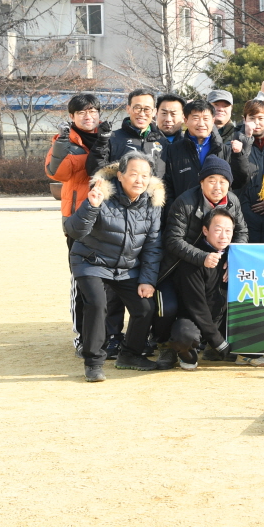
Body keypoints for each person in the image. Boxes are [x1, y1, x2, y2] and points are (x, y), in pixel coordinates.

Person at [64, 151, 165, 381]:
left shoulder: (152, 204)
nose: (139, 180)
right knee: (98, 304)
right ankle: (93, 362)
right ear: (120, 176)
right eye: (133, 174)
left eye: (145, 175)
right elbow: (74, 230)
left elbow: (153, 245)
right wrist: (91, 206)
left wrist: (147, 280)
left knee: (145, 308)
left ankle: (130, 355)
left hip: (126, 267)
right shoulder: (102, 194)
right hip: (91, 262)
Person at [164, 208, 264, 370]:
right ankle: (188, 354)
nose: (223, 236)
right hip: (195, 318)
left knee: (261, 315)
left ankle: (239, 353)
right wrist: (218, 342)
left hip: (224, 317)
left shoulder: (235, 254)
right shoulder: (194, 258)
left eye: (228, 231)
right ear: (205, 230)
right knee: (183, 336)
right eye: (218, 230)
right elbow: (196, 307)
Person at [45, 93, 110, 355]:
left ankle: (105, 336)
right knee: (82, 282)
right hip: (78, 219)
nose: (88, 116)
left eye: (92, 111)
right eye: (81, 113)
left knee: (108, 284)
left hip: (107, 218)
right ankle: (82, 339)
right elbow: (55, 173)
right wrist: (61, 143)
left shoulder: (109, 136)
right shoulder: (65, 141)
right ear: (72, 117)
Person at [160, 155, 249, 286]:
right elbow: (173, 240)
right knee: (171, 306)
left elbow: (242, 232)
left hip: (221, 262)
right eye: (212, 181)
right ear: (201, 182)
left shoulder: (232, 201)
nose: (218, 187)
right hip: (185, 263)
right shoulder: (184, 203)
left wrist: (233, 259)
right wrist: (203, 257)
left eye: (223, 181)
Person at [161, 99, 253, 208]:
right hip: (184, 213)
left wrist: (239, 156)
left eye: (206, 119)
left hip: (217, 215)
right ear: (186, 120)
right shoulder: (173, 150)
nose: (201, 124)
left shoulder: (224, 150)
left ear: (213, 121)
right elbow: (168, 186)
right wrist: (174, 210)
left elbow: (240, 181)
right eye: (195, 118)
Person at [87, 89, 167, 177]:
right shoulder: (111, 139)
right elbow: (94, 171)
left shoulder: (162, 141)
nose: (142, 114)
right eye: (137, 108)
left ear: (154, 112)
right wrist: (101, 142)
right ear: (128, 109)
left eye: (147, 109)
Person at [235, 99, 264, 244]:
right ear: (244, 119)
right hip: (244, 211)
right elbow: (236, 175)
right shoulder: (235, 143)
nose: (256, 123)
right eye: (252, 118)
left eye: (261, 118)